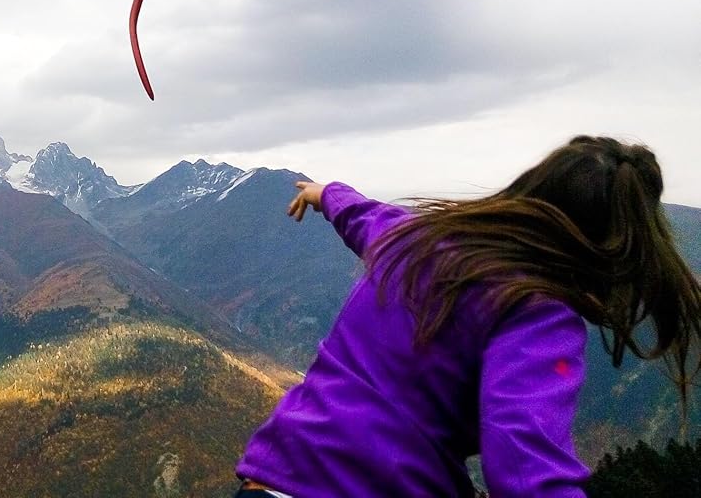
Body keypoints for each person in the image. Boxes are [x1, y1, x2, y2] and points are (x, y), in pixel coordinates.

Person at [233, 135, 701, 497]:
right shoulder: (537, 314)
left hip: (272, 476)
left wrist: (325, 193)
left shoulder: (413, 239)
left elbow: (363, 216)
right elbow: (524, 466)